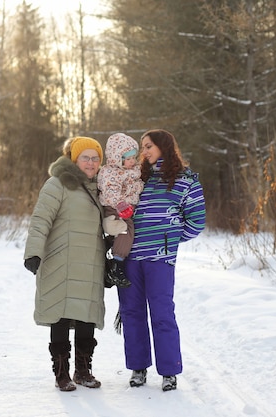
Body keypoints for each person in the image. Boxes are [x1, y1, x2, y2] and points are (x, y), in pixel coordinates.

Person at [118, 129, 206, 392]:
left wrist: (169, 241)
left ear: (164, 146)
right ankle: (138, 368)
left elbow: (197, 221)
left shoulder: (185, 181)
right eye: (142, 147)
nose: (144, 152)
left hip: (160, 260)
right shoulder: (137, 179)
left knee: (162, 314)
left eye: (148, 146)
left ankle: (169, 371)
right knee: (131, 313)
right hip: (131, 258)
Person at [23, 136, 106, 392]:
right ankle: (62, 374)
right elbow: (40, 220)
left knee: (86, 318)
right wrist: (33, 252)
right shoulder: (57, 184)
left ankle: (83, 371)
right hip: (61, 261)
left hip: (91, 262)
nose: (91, 163)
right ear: (73, 158)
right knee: (59, 316)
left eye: (95, 158)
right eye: (85, 157)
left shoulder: (102, 187)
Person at [97, 132, 144, 288]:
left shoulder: (133, 170)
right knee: (126, 230)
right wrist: (121, 205)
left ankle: (107, 263)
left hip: (127, 208)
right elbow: (110, 192)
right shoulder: (111, 172)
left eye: (133, 158)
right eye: (128, 159)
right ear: (118, 159)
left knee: (118, 235)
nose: (132, 161)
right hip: (115, 208)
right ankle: (117, 265)